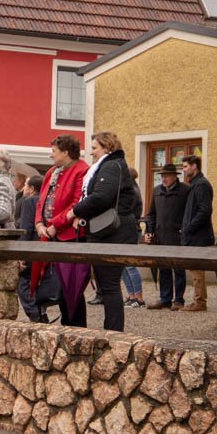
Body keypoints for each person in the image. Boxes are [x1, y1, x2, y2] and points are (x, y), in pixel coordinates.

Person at [68, 131, 137, 332]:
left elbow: (101, 197)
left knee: (109, 285)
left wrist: (75, 211)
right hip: (109, 232)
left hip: (113, 233)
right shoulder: (110, 165)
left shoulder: (111, 166)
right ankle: (112, 331)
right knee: (108, 285)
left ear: (107, 147)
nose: (91, 152)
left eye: (94, 148)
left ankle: (113, 333)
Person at [34, 134, 89, 326]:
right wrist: (39, 223)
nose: (51, 155)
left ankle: (76, 327)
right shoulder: (52, 172)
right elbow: (41, 201)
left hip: (69, 237)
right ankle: (67, 324)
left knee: (71, 286)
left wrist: (54, 226)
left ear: (65, 152)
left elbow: (76, 204)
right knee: (57, 284)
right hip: (51, 234)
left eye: (54, 151)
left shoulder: (82, 171)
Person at [144, 163, 190, 310]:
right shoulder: (156, 190)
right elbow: (151, 215)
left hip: (177, 236)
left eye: (167, 176)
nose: (163, 179)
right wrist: (149, 231)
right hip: (160, 236)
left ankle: (179, 300)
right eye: (162, 176)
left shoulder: (185, 190)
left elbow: (189, 213)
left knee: (178, 269)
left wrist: (185, 229)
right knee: (163, 269)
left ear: (174, 176)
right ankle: (165, 299)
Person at [180, 155, 215, 312]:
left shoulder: (201, 184)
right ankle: (199, 300)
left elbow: (205, 210)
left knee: (196, 269)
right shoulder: (195, 184)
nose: (183, 170)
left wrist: (189, 228)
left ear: (194, 166)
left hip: (198, 235)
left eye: (185, 166)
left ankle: (200, 302)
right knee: (195, 269)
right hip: (194, 233)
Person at [16, 175, 45, 321]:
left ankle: (36, 316)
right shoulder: (46, 199)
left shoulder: (29, 201)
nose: (24, 188)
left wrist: (22, 255)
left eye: (26, 185)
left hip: (32, 247)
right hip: (45, 245)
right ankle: (41, 313)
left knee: (24, 284)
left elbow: (26, 228)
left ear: (32, 188)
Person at [121, 168, 145, 308]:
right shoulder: (132, 189)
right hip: (128, 230)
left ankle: (139, 297)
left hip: (131, 231)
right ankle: (131, 296)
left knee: (130, 265)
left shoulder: (131, 192)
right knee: (123, 266)